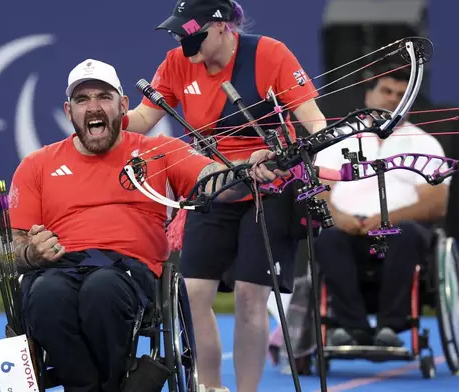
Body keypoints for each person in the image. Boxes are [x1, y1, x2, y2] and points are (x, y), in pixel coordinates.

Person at [8, 58, 286, 392]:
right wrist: (30, 251)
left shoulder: (158, 150)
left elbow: (211, 179)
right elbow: (13, 248)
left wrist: (246, 170)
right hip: (59, 268)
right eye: (82, 100)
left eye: (103, 97)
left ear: (123, 106)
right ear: (69, 111)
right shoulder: (36, 165)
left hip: (126, 270)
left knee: (102, 292)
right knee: (45, 297)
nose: (93, 107)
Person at [122, 1, 327, 391]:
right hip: (214, 184)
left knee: (251, 297)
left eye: (192, 32)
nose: (184, 40)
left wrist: (289, 158)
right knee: (194, 294)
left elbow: (314, 122)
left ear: (221, 26)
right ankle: (211, 387)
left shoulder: (269, 54)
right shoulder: (177, 63)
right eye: (179, 32)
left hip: (272, 188)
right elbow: (143, 119)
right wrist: (108, 111)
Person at [312, 63, 451, 347]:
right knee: (326, 237)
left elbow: (436, 203)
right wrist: (337, 217)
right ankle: (353, 327)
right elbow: (318, 189)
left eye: (401, 94)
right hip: (347, 229)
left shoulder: (425, 144)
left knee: (407, 233)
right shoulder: (339, 139)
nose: (392, 99)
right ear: (368, 96)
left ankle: (391, 326)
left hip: (399, 232)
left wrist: (388, 218)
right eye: (386, 91)